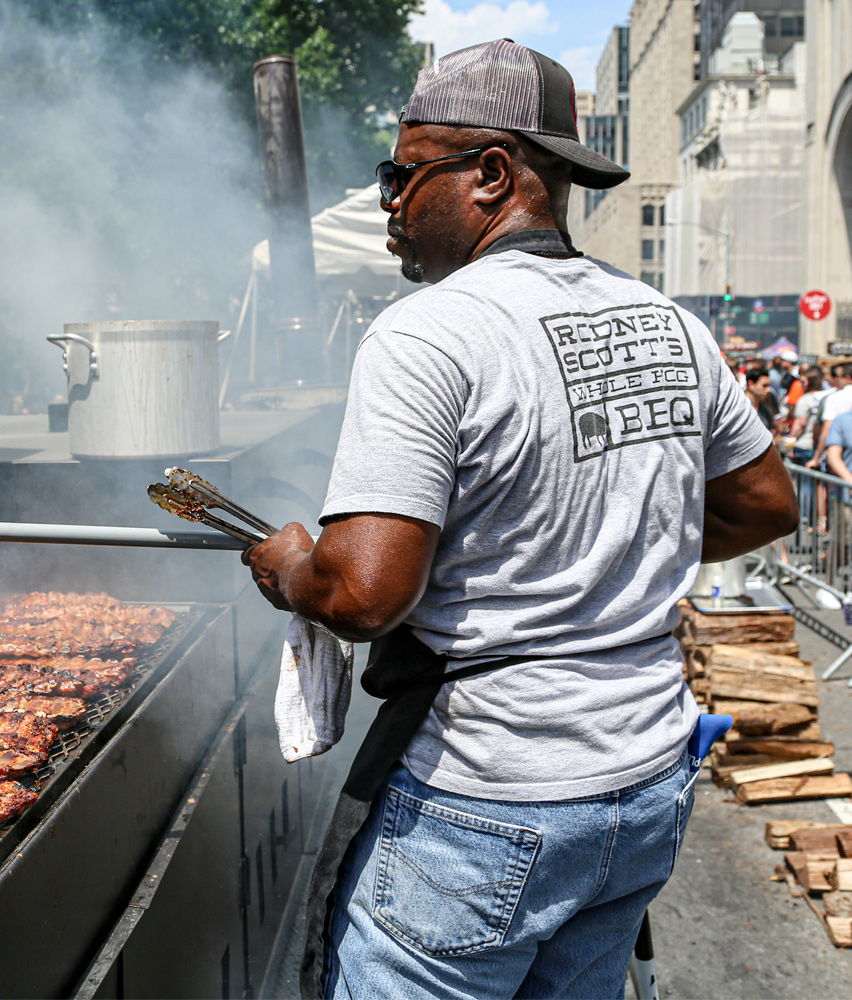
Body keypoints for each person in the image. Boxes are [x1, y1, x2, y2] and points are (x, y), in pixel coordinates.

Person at [242, 39, 798, 1000]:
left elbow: (365, 594)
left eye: (403, 175)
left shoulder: (429, 331)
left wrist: (296, 564)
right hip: (642, 780)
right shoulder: (665, 319)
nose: (390, 204)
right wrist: (608, 544)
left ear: (492, 175)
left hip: (490, 799)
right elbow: (763, 506)